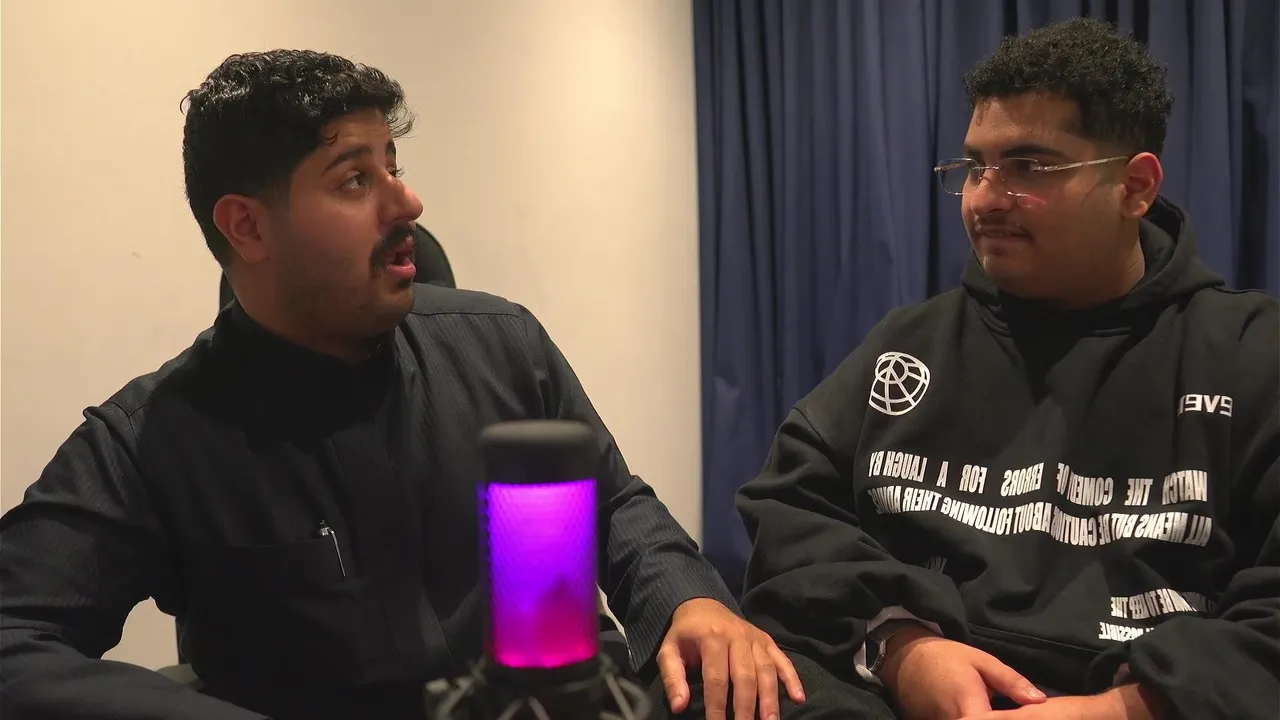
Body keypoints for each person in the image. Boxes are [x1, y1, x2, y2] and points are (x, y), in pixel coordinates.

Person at [0, 50, 805, 720]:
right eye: (355, 180)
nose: (408, 202)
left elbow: (616, 504)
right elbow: (14, 640)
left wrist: (689, 600)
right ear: (246, 226)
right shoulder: (150, 438)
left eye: (394, 166)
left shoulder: (502, 344)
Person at [736, 18, 1279, 720]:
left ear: (1135, 187)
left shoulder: (1251, 356)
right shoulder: (910, 345)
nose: (984, 198)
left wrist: (1121, 710)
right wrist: (903, 649)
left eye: (1028, 167)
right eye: (975, 166)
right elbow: (790, 520)